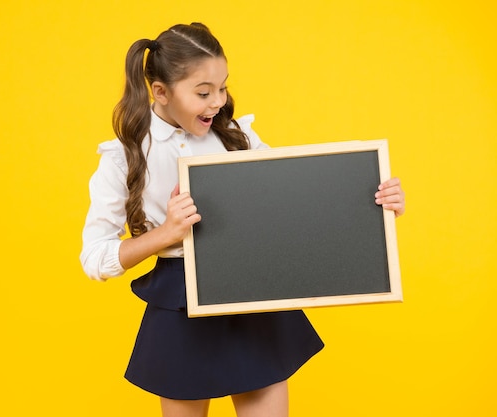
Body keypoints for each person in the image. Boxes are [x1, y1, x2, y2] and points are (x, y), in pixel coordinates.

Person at [81, 22, 406, 417]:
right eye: (203, 92)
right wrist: (166, 233)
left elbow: (297, 202)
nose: (217, 101)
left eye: (223, 87)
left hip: (254, 296)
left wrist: (372, 202)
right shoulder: (122, 158)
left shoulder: (237, 137)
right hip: (179, 306)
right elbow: (95, 258)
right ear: (160, 92)